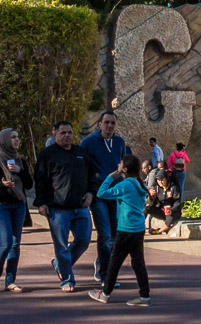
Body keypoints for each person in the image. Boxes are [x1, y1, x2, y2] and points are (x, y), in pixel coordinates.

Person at [35, 120, 93, 292]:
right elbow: (40, 181)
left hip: (81, 206)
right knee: (61, 244)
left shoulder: (81, 153)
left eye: (69, 132)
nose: (67, 136)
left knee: (83, 240)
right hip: (58, 209)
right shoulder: (47, 155)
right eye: (63, 133)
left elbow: (92, 175)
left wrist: (91, 192)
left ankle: (60, 264)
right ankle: (67, 279)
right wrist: (41, 202)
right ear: (54, 133)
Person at [88, 154, 151, 307]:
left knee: (114, 262)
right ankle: (144, 296)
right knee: (138, 262)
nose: (118, 164)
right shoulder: (139, 184)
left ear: (125, 168)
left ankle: (105, 293)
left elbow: (101, 193)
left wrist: (110, 177)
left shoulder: (126, 185)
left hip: (126, 228)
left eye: (121, 163)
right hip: (138, 228)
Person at [80, 111, 130, 284]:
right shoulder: (88, 143)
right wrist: (87, 190)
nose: (109, 126)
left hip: (117, 194)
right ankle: (105, 275)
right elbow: (81, 167)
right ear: (99, 124)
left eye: (112, 123)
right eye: (106, 122)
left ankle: (102, 263)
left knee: (116, 234)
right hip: (99, 193)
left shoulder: (120, 142)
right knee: (105, 234)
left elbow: (124, 164)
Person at [0, 128, 33, 292]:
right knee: (6, 243)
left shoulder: (20, 161)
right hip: (1, 206)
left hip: (18, 205)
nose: (16, 140)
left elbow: (29, 184)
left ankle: (11, 280)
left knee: (15, 244)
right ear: (4, 140)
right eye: (13, 137)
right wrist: (3, 184)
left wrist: (20, 171)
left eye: (18, 137)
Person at [145, 170, 182, 235]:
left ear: (166, 179)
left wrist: (171, 210)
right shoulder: (156, 188)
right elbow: (153, 204)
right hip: (162, 211)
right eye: (158, 180)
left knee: (171, 218)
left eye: (162, 180)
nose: (160, 182)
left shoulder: (174, 187)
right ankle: (138, 227)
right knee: (147, 208)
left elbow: (177, 203)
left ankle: (159, 231)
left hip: (172, 212)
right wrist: (151, 196)